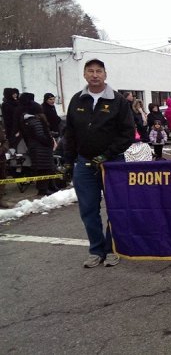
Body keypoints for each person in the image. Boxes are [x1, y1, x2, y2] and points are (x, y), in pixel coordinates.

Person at [64, 58, 135, 268]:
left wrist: (107, 154)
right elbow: (70, 133)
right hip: (84, 164)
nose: (95, 75)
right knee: (88, 209)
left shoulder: (118, 101)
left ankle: (113, 248)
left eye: (99, 71)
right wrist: (69, 162)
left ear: (105, 75)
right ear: (85, 75)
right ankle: (96, 249)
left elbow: (127, 133)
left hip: (112, 163)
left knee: (116, 208)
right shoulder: (77, 100)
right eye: (90, 71)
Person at [19, 93, 57, 196]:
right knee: (45, 169)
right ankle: (43, 189)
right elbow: (40, 135)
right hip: (41, 148)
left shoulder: (28, 120)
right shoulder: (35, 120)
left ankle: (47, 187)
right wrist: (49, 141)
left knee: (45, 169)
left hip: (37, 147)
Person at [0, 121, 10, 208]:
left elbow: (5, 141)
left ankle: (0, 198)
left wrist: (3, 149)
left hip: (1, 159)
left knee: (2, 178)